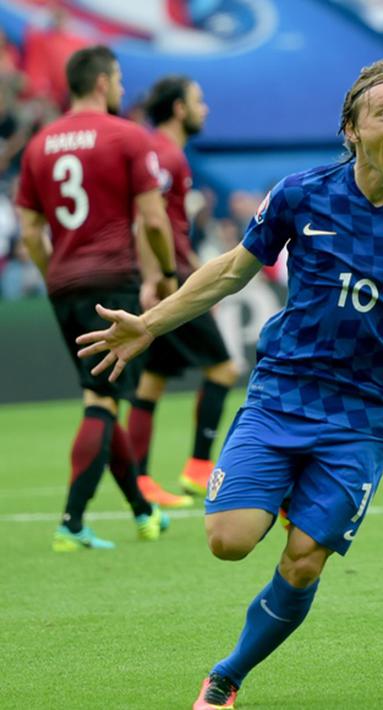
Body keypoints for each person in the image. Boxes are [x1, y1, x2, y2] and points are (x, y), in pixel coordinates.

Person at [76, 58, 383, 708]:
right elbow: (233, 270)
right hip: (281, 395)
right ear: (352, 129)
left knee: (303, 560)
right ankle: (289, 492)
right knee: (227, 542)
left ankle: (227, 676)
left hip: (363, 417)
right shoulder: (300, 194)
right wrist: (149, 325)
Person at [16, 45, 175, 551]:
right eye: (121, 80)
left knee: (101, 393)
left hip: (64, 282)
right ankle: (72, 521)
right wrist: (167, 274)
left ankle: (142, 511)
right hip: (112, 281)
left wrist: (52, 274)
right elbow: (153, 219)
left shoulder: (39, 144)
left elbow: (30, 233)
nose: (124, 89)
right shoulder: (126, 136)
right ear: (104, 82)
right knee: (102, 399)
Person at [124, 75, 237, 510]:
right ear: (178, 109)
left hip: (159, 277)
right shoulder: (166, 155)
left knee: (152, 381)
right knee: (223, 369)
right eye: (197, 100)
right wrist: (159, 280)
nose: (204, 108)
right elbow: (146, 220)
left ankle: (141, 482)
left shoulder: (158, 151)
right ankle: (197, 468)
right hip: (172, 281)